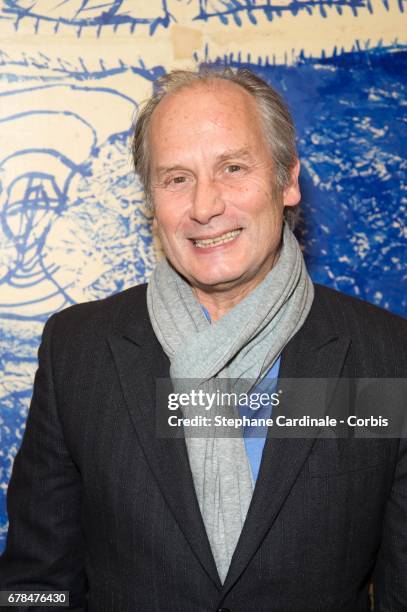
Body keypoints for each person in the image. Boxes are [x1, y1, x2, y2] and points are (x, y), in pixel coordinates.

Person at [0, 67, 406, 612]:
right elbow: (36, 585)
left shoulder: (386, 357)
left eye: (232, 168)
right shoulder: (78, 351)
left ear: (287, 180)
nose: (204, 206)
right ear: (152, 200)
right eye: (176, 179)